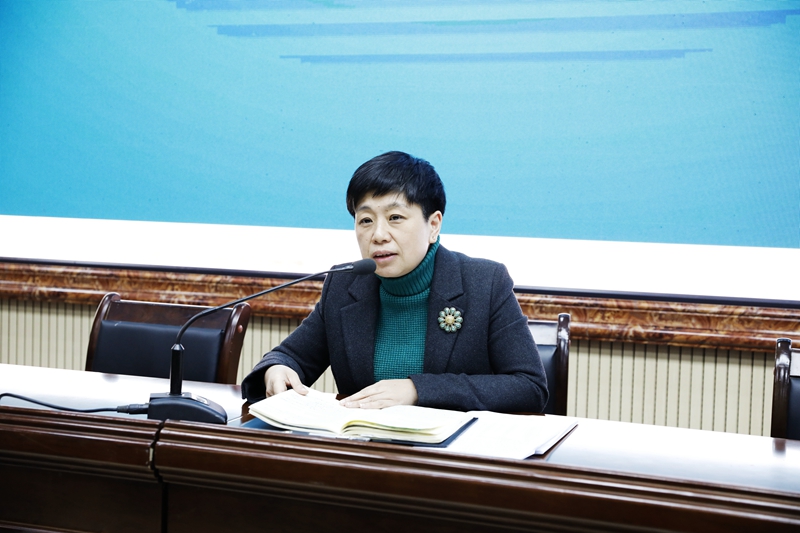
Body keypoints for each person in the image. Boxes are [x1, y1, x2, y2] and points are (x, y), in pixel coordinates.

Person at [241, 151, 548, 413]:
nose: (378, 235)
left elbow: (529, 387)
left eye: (395, 218)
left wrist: (417, 390)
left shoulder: (485, 283)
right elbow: (291, 356)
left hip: (451, 457)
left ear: (433, 225)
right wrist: (277, 369)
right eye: (365, 220)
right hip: (365, 451)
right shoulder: (345, 286)